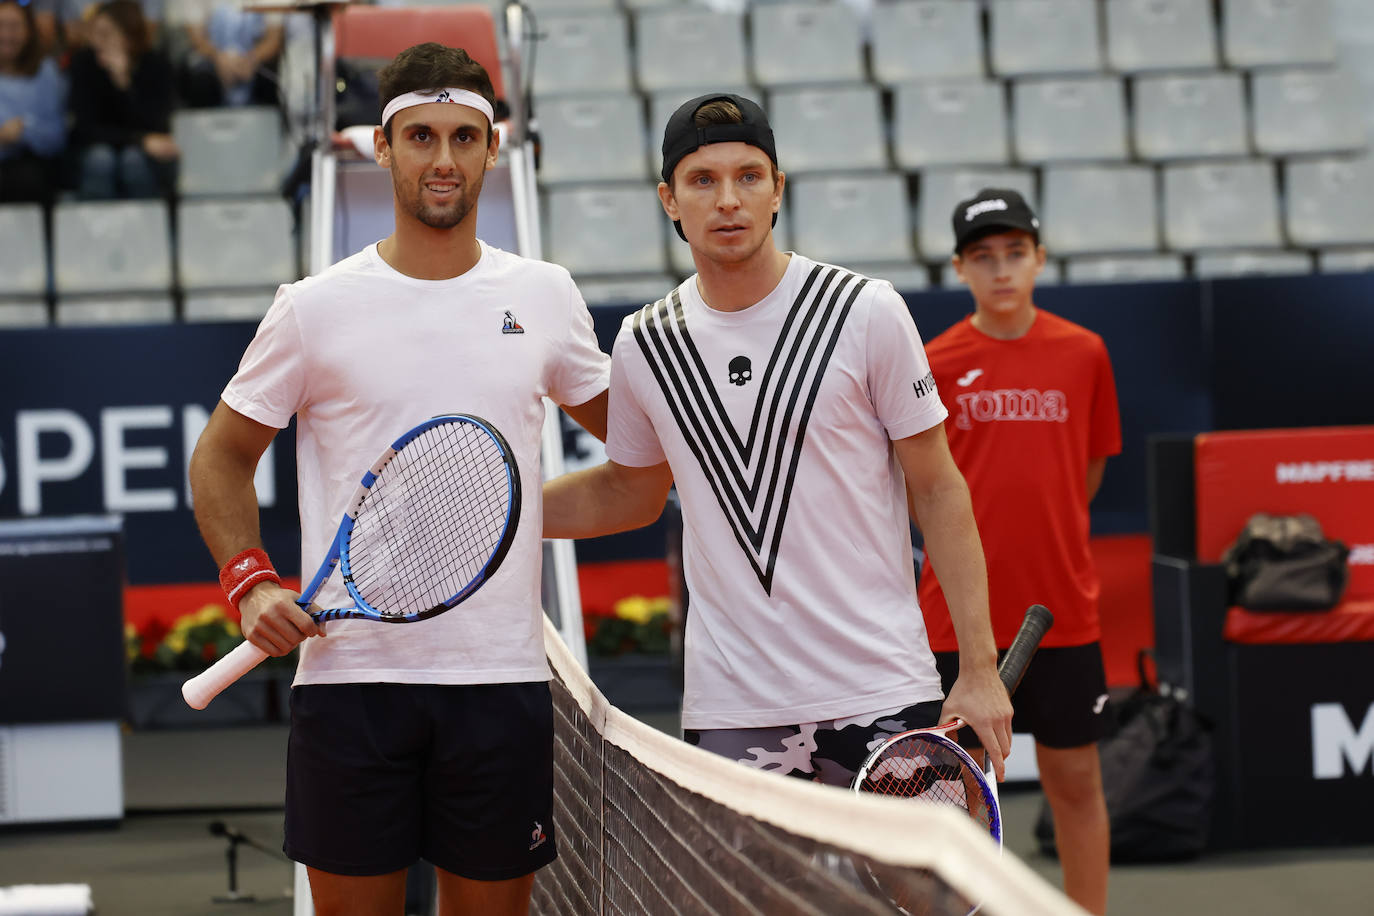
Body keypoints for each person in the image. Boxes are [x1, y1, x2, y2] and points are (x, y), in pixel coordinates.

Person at [187, 42, 610, 916]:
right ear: (382, 148)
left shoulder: (546, 294)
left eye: (465, 137)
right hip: (351, 693)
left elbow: (640, 456)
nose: (444, 159)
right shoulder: (311, 307)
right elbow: (221, 458)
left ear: (494, 149)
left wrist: (508, 515)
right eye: (420, 136)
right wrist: (249, 585)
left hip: (499, 685)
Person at [543, 92, 1012, 788]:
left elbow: (939, 488)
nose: (727, 199)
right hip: (736, 711)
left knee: (893, 904)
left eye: (748, 177)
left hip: (881, 691)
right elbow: (629, 493)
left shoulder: (866, 311)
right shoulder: (645, 342)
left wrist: (977, 669)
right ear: (670, 200)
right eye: (703, 180)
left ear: (777, 191)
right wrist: (504, 509)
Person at [918, 188, 1120, 915]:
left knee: (1075, 785)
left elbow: (1087, 472)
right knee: (959, 798)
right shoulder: (934, 362)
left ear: (1039, 257)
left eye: (1014, 254)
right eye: (983, 258)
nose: (1000, 270)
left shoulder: (1084, 354)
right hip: (956, 622)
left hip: (1063, 612)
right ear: (959, 268)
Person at [66, 0, 177, 199]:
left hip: (141, 156)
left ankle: (145, 223)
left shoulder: (155, 64)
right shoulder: (83, 63)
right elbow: (85, 128)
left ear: (129, 36)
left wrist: (124, 83)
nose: (97, 41)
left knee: (132, 160)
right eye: (93, 33)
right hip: (96, 150)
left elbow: (157, 125)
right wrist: (139, 139)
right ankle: (96, 225)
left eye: (105, 34)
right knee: (101, 159)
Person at [0, 0, 65, 204]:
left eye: (14, 27)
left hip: (33, 166)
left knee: (29, 177)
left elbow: (56, 136)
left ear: (29, 31)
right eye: (0, 26)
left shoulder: (46, 72)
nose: (6, 35)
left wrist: (23, 130)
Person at [175, 0, 284, 108]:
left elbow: (274, 39)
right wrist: (219, 58)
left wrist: (251, 60)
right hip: (211, 60)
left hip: (255, 60)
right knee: (201, 84)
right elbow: (197, 38)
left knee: (272, 83)